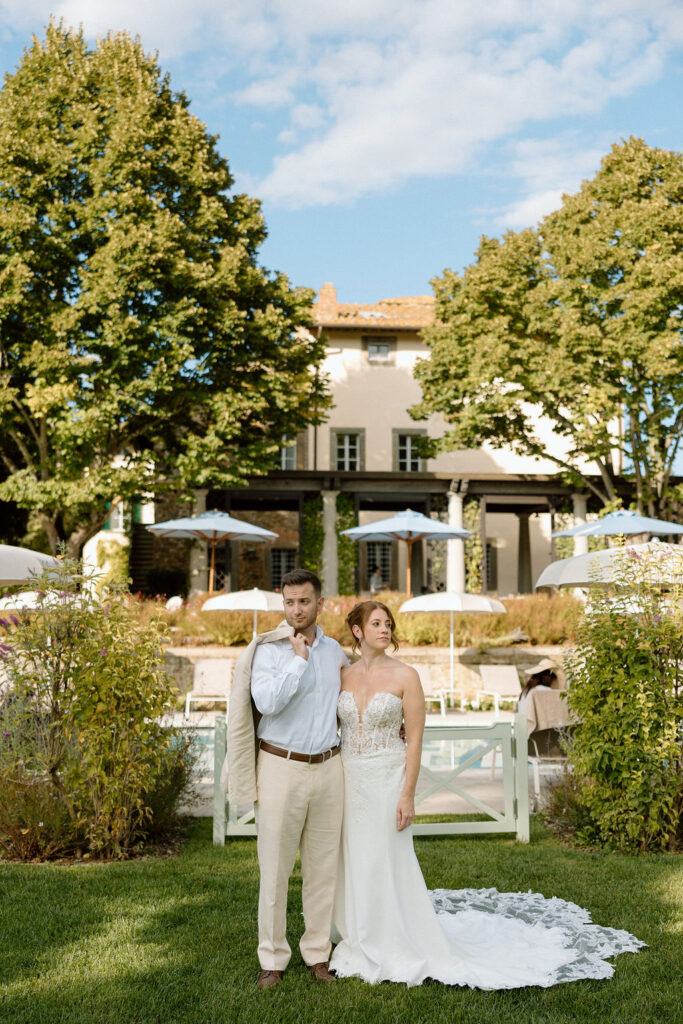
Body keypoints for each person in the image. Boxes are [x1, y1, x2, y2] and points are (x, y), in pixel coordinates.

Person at [329, 600, 644, 988]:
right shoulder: (340, 675)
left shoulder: (406, 675)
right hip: (348, 778)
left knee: (385, 857)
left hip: (387, 779)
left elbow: (414, 741)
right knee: (354, 857)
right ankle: (357, 932)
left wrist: (407, 794)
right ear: (357, 631)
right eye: (375, 623)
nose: (384, 629)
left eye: (388, 623)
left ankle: (391, 936)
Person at [223, 568, 347, 990]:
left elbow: (347, 703)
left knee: (323, 868)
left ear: (320, 603)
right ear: (283, 604)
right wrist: (298, 662)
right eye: (290, 602)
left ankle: (317, 954)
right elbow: (267, 702)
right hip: (280, 766)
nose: (297, 609)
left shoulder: (335, 653)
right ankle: (272, 959)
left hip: (330, 767)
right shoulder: (270, 650)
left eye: (305, 601)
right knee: (274, 870)